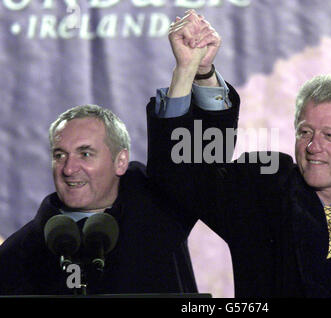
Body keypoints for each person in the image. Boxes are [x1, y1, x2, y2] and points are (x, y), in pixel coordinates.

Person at [148, 38, 331, 296]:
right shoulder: (262, 188)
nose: (313, 146)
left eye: (329, 136)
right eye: (305, 132)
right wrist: (193, 71)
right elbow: (178, 176)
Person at [0, 11, 239, 296]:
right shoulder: (19, 254)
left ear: (120, 160)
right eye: (60, 155)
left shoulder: (160, 206)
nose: (68, 168)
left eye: (85, 154)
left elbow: (199, 158)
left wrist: (195, 72)